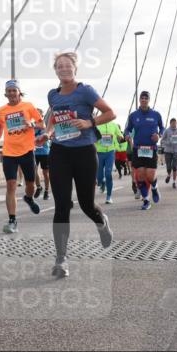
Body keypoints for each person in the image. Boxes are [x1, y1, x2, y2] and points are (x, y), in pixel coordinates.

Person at [38, 52, 114, 278]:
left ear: (75, 68)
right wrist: (47, 133)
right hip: (60, 152)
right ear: (55, 70)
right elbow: (53, 118)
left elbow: (110, 113)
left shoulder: (86, 91)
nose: (64, 69)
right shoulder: (53, 95)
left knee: (86, 204)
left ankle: (101, 222)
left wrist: (89, 122)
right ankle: (61, 259)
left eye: (67, 65)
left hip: (84, 151)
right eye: (59, 66)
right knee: (62, 205)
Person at [0, 79, 41, 234]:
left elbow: (42, 124)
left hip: (27, 151)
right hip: (9, 152)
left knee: (30, 185)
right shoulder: (1, 110)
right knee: (11, 185)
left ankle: (29, 198)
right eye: (9, 91)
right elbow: (0, 126)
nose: (12, 93)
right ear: (5, 93)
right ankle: (12, 220)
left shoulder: (28, 106)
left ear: (19, 92)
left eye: (14, 90)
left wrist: (32, 124)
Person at [124, 91, 164, 210]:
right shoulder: (133, 115)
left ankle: (155, 188)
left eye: (146, 98)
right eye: (142, 98)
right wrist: (127, 135)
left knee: (150, 176)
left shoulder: (156, 114)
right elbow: (127, 129)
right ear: (139, 100)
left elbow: (162, 127)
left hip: (151, 149)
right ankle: (146, 200)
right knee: (140, 176)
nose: (144, 100)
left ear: (149, 100)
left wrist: (159, 134)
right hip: (138, 149)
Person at [94, 118, 123, 204]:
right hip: (99, 152)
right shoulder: (97, 124)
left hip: (110, 152)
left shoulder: (113, 125)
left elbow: (120, 135)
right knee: (98, 176)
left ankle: (109, 197)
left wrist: (120, 138)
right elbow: (92, 136)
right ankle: (102, 182)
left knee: (108, 173)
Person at [33, 116, 51, 201]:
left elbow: (46, 137)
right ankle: (39, 187)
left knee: (45, 173)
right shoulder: (32, 128)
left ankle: (46, 191)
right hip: (35, 152)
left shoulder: (45, 127)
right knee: (34, 170)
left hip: (44, 152)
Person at [161, 118, 177, 188]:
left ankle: (174, 182)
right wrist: (168, 142)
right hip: (168, 151)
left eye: (175, 123)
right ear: (170, 123)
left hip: (176, 151)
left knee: (174, 167)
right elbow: (162, 140)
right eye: (173, 123)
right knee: (168, 166)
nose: (174, 124)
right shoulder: (167, 131)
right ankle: (169, 175)